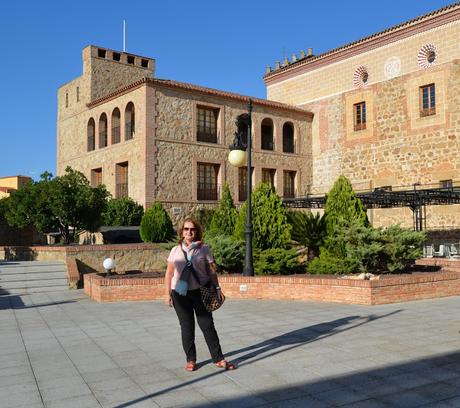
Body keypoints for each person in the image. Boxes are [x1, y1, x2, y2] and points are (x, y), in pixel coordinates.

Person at [164, 217, 236, 372]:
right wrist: (167, 294)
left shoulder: (203, 249)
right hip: (179, 294)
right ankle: (190, 360)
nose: (189, 232)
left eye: (192, 229)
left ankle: (218, 358)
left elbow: (211, 271)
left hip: (200, 292)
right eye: (186, 229)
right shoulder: (175, 250)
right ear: (181, 232)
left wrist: (217, 288)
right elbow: (169, 274)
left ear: (196, 231)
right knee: (187, 327)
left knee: (207, 325)